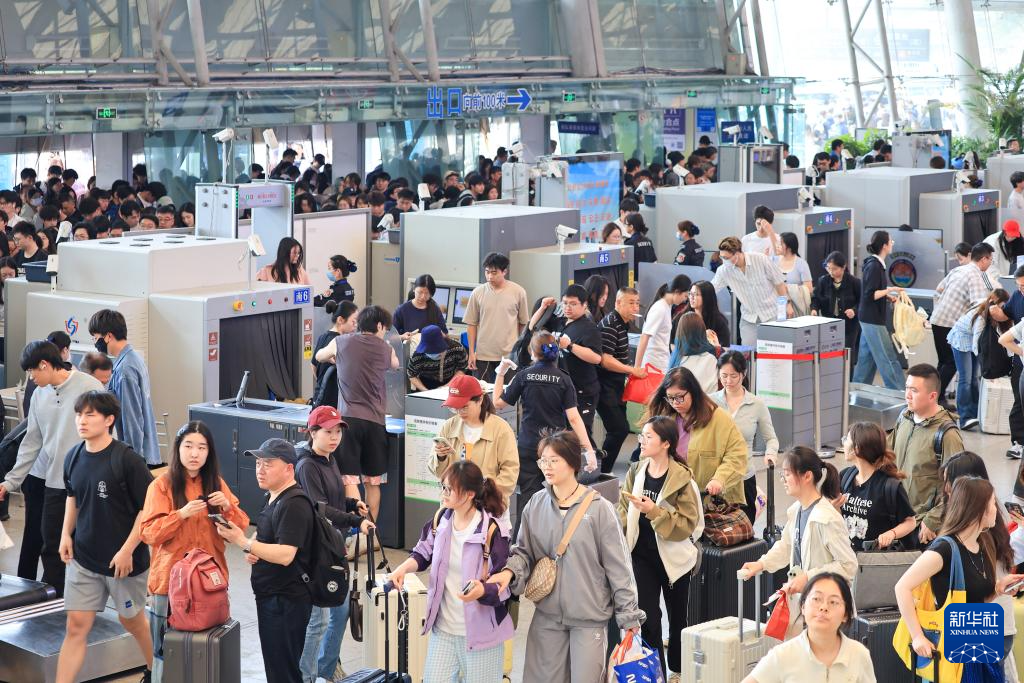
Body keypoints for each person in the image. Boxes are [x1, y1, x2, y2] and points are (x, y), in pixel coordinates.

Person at [486, 430, 644, 682]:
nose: (546, 467)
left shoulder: (600, 510)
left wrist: (629, 617)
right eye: (543, 460)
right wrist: (509, 573)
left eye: (554, 460)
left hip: (588, 619)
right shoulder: (535, 504)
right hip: (547, 616)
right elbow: (523, 552)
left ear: (572, 462)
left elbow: (619, 568)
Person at [56, 391, 154, 683]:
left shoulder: (127, 460)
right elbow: (73, 497)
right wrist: (65, 534)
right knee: (76, 626)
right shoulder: (73, 456)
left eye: (90, 415)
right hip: (84, 557)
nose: (81, 421)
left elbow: (148, 509)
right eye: (79, 414)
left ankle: (157, 672)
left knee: (132, 621)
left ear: (109, 420)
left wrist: (127, 550)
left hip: (123, 563)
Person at [140, 421, 249, 683]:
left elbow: (241, 526)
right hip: (169, 584)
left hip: (209, 583)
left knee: (208, 648)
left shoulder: (216, 484)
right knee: (165, 652)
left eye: (202, 447)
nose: (194, 453)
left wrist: (228, 508)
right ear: (178, 448)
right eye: (188, 446)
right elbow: (149, 533)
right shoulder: (161, 485)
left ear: (209, 452)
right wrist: (180, 515)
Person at [389, 460, 513, 683]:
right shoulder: (441, 519)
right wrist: (403, 568)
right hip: (443, 630)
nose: (443, 493)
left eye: (449, 489)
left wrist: (482, 590)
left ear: (469, 494)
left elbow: (504, 585)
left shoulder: (492, 531)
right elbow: (423, 552)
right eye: (443, 487)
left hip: (482, 636)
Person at [0, 341, 105, 594]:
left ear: (45, 364)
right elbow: (31, 441)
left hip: (87, 484)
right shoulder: (40, 395)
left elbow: (107, 434)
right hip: (55, 484)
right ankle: (55, 605)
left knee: (87, 546)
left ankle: (85, 601)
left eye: (32, 371)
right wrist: (11, 481)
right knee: (52, 547)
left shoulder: (90, 387)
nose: (31, 378)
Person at [894, 477, 1024, 676]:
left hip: (979, 639)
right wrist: (917, 636)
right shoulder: (944, 548)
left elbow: (975, 601)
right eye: (992, 504)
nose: (996, 510)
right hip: (954, 644)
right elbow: (902, 587)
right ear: (978, 509)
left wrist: (998, 589)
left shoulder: (982, 544)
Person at [215, 438, 315, 683]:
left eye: (268, 464)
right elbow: (265, 535)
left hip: (286, 599)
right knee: (276, 665)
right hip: (271, 596)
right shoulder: (272, 496)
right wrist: (254, 546)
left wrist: (244, 542)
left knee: (284, 670)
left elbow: (286, 554)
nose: (260, 469)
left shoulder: (294, 504)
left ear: (289, 468)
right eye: (258, 463)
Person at [740, 447, 858, 640]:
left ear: (807, 476)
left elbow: (848, 565)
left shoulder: (827, 518)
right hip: (805, 605)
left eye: (787, 474)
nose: (783, 480)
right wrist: (761, 564)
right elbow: (786, 546)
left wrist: (809, 577)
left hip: (827, 608)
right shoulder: (797, 510)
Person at [617, 416, 702, 680]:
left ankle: (678, 668)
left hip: (674, 561)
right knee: (649, 620)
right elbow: (623, 509)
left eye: (648, 436)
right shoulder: (636, 472)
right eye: (641, 435)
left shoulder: (682, 479)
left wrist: (654, 511)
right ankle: (658, 674)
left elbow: (687, 524)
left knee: (678, 622)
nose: (641, 441)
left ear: (666, 443)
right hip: (641, 557)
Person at [294, 407, 373, 683]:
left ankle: (325, 672)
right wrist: (355, 520)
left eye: (338, 431)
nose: (334, 437)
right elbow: (320, 509)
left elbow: (333, 499)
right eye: (328, 432)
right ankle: (306, 676)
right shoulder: (307, 466)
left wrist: (352, 503)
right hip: (317, 551)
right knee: (319, 622)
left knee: (339, 613)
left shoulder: (329, 459)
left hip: (333, 547)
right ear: (312, 432)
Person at [493, 332, 597, 529]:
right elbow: (574, 418)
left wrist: (500, 373)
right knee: (560, 496)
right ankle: (556, 539)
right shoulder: (564, 379)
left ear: (533, 353)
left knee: (528, 500)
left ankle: (521, 543)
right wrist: (589, 449)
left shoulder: (524, 376)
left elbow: (497, 403)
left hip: (528, 446)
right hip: (556, 448)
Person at [313, 306, 399, 528]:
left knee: (349, 479)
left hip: (348, 421)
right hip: (376, 422)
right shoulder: (385, 348)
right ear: (379, 325)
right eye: (385, 328)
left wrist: (335, 358)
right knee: (373, 482)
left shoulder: (341, 341)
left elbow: (319, 356)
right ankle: (368, 533)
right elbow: (395, 365)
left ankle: (354, 529)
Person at [742, 573, 875, 683]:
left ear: (846, 614)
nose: (824, 607)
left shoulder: (859, 654)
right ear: (803, 607)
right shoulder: (782, 655)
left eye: (833, 602)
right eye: (816, 599)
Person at [644, 367, 748, 504]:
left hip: (711, 501)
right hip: (673, 495)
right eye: (670, 398)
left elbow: (737, 455)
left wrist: (719, 479)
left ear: (693, 392)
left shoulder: (719, 418)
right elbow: (647, 451)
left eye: (680, 397)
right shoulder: (665, 418)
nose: (675, 403)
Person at [887, 363, 964, 546]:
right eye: (907, 388)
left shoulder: (947, 434)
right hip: (896, 517)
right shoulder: (904, 417)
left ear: (932, 396)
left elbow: (958, 485)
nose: (907, 395)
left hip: (922, 525)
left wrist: (933, 520)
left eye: (914, 390)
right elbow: (887, 456)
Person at [430, 374, 519, 513]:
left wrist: (482, 496)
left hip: (488, 507)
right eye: (455, 408)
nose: (459, 412)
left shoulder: (501, 429)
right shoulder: (449, 426)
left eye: (464, 407)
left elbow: (510, 472)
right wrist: (440, 457)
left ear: (480, 400)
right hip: (454, 508)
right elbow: (438, 473)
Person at [529, 285, 604, 443]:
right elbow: (533, 327)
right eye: (565, 303)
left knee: (580, 433)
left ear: (584, 305)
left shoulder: (589, 328)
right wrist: (543, 307)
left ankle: (590, 456)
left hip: (583, 390)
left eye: (573, 304)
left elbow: (596, 358)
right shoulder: (560, 322)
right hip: (561, 387)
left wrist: (570, 346)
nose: (567, 307)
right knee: (562, 434)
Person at [711, 351, 779, 524]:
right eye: (724, 376)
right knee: (716, 531)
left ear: (744, 373)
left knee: (744, 528)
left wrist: (771, 453)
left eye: (733, 376)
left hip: (744, 476)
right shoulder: (710, 402)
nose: (728, 381)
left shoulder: (756, 404)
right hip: (715, 477)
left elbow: (771, 438)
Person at [88, 309, 162, 466]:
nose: (95, 342)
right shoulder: (133, 359)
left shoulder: (125, 370)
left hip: (135, 456)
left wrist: (131, 461)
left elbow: (132, 419)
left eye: (96, 337)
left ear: (108, 336)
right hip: (143, 453)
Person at [930, 242, 995, 403]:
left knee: (944, 362)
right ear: (984, 259)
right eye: (991, 260)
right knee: (951, 363)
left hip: (938, 319)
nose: (991, 263)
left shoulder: (959, 269)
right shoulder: (976, 276)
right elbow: (979, 306)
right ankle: (934, 398)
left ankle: (936, 397)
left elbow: (939, 288)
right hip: (950, 323)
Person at [838, 422, 918, 551]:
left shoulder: (890, 487)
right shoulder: (845, 476)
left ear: (857, 448)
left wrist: (892, 533)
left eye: (846, 439)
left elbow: (910, 521)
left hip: (877, 559)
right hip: (848, 556)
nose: (843, 443)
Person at [597, 288, 647, 473]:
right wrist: (631, 370)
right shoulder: (611, 324)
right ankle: (603, 471)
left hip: (616, 385)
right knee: (619, 429)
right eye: (631, 303)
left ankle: (603, 469)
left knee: (619, 428)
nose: (635, 307)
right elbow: (605, 360)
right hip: (604, 385)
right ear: (618, 303)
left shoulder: (622, 323)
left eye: (637, 303)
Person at [713, 236, 793, 346]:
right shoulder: (723, 271)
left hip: (772, 314)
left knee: (774, 350)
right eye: (721, 257)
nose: (723, 261)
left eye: (726, 258)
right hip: (749, 318)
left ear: (737, 254)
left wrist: (787, 304)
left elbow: (779, 283)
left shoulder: (760, 259)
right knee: (747, 352)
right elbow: (712, 288)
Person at [948, 289, 1011, 429]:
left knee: (974, 378)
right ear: (993, 304)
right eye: (1001, 307)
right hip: (961, 339)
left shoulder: (996, 314)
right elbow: (978, 344)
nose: (1002, 311)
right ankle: (964, 418)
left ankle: (976, 413)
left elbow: (1002, 337)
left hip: (972, 339)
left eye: (1004, 307)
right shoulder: (981, 317)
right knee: (966, 379)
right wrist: (986, 367)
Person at [852, 230, 906, 390]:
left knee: (866, 359)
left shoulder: (875, 265)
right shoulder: (874, 266)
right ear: (884, 246)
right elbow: (870, 294)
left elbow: (873, 290)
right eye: (891, 241)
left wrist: (887, 296)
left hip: (868, 317)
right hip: (872, 319)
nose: (892, 244)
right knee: (887, 357)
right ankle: (899, 392)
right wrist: (890, 290)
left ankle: (857, 392)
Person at [465, 252, 529, 383]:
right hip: (483, 355)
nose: (489, 276)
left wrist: (518, 348)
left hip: (509, 355)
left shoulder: (518, 292)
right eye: (487, 272)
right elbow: (471, 324)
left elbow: (523, 323)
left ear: (504, 271)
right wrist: (471, 352)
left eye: (494, 273)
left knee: (508, 393)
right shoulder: (477, 293)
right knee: (482, 392)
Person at [811, 251, 861, 371]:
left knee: (847, 355)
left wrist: (854, 310)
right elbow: (816, 298)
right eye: (829, 268)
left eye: (834, 269)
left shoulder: (854, 282)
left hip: (849, 325)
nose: (831, 272)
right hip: (829, 324)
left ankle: (848, 379)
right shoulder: (823, 281)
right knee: (830, 353)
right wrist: (814, 309)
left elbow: (862, 302)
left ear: (843, 267)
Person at [636, 275, 690, 373]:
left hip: (660, 364)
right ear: (677, 291)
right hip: (653, 365)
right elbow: (644, 337)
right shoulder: (660, 308)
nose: (685, 300)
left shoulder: (667, 306)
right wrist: (637, 368)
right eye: (685, 296)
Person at [668, 311, 718, 393]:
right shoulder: (711, 358)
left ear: (680, 332)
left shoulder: (676, 359)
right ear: (702, 331)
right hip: (708, 400)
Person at [407, 325, 468, 391]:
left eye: (436, 350)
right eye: (429, 351)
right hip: (426, 383)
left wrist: (447, 386)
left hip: (452, 381)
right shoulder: (418, 355)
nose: (433, 354)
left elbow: (462, 368)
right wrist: (425, 391)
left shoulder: (457, 348)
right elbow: (411, 374)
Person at [774, 232, 813, 316]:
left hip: (796, 310)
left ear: (789, 247)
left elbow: (809, 289)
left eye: (780, 243)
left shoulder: (801, 263)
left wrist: (787, 288)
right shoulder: (774, 261)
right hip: (776, 308)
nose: (777, 246)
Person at [686, 280, 731, 348]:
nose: (691, 297)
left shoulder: (719, 322)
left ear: (706, 297)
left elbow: (725, 348)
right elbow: (673, 343)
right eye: (690, 293)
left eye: (696, 294)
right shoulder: (684, 317)